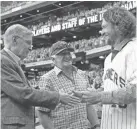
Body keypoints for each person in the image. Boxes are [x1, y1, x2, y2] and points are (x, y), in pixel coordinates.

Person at [1, 24, 80, 129]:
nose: (30, 48)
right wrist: (58, 97)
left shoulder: (12, 62)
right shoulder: (3, 61)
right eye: (28, 42)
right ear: (15, 40)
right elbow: (23, 94)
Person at [74, 7, 136, 129]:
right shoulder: (108, 59)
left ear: (118, 26)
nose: (100, 32)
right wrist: (95, 93)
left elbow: (134, 92)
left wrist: (99, 97)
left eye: (104, 27)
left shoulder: (134, 49)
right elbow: (114, 87)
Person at [36, 41, 100, 129]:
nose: (67, 56)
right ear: (53, 59)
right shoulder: (47, 79)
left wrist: (96, 125)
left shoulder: (82, 74)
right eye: (62, 54)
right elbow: (42, 113)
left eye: (68, 53)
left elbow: (88, 104)